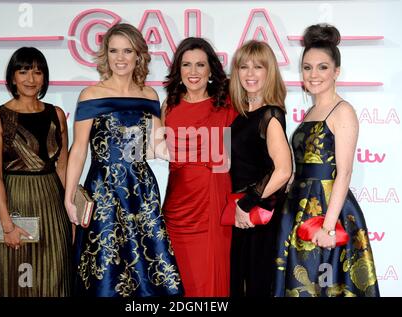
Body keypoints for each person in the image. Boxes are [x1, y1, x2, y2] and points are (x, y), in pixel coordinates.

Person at [64, 23, 183, 297]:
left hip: (141, 190)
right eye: (114, 50)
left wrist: (198, 147)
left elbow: (157, 147)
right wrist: (69, 197)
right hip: (103, 190)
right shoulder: (91, 94)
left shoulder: (149, 95)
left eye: (127, 50)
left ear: (138, 55)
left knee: (148, 267)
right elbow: (79, 149)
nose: (120, 57)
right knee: (105, 266)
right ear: (105, 54)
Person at [274, 24, 380, 297]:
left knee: (325, 286)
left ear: (336, 72)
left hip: (327, 210)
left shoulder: (342, 111)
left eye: (322, 67)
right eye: (307, 67)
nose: (313, 74)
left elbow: (344, 173)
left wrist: (328, 226)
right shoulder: (311, 110)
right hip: (299, 207)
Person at [0, 47, 72, 296]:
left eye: (37, 72)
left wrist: (71, 213)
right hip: (17, 204)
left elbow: (62, 167)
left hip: (53, 204)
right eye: (23, 72)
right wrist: (7, 226)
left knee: (57, 278)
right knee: (20, 281)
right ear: (12, 77)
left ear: (45, 77)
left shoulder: (57, 115)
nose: (31, 79)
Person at [161, 37, 237, 297]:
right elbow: (154, 151)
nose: (193, 72)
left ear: (210, 70)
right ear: (178, 71)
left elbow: (243, 152)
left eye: (200, 65)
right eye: (187, 65)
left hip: (213, 203)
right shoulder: (169, 107)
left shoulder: (228, 105)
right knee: (179, 281)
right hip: (177, 208)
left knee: (210, 281)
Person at [228, 40, 293, 297]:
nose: (250, 74)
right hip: (243, 213)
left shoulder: (271, 115)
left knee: (257, 285)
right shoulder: (241, 114)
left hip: (260, 215)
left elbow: (284, 170)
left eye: (258, 67)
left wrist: (248, 203)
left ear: (270, 72)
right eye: (244, 67)